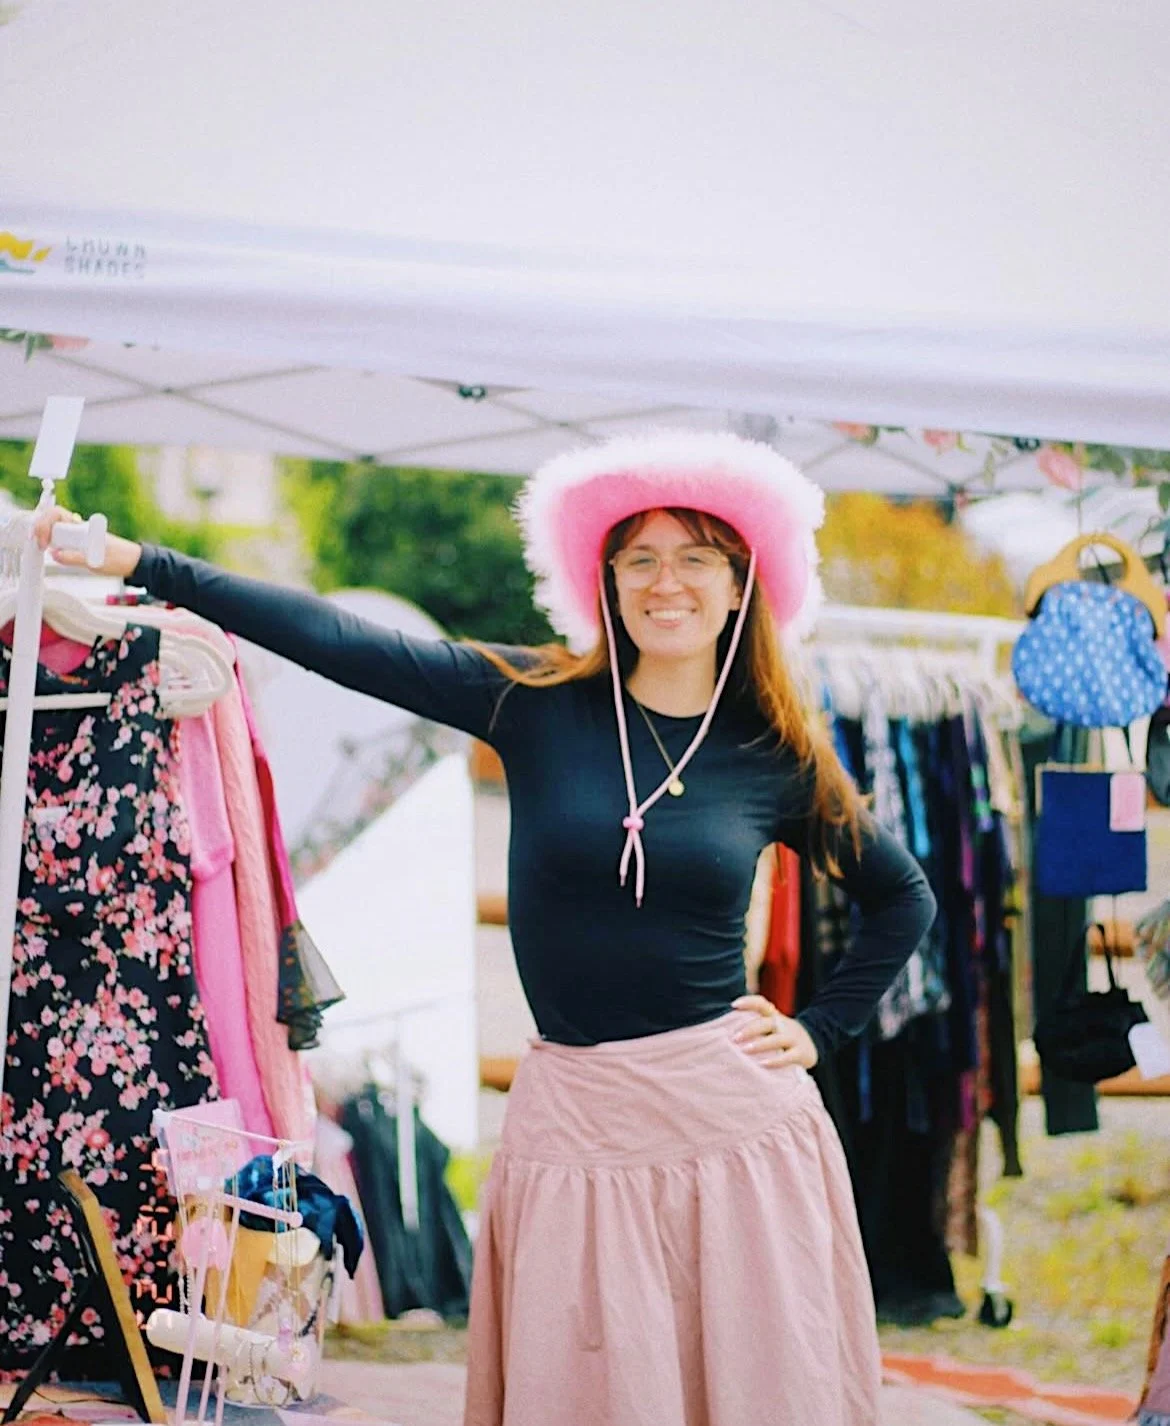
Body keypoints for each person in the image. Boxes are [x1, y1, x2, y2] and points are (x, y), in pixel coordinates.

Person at [38, 429, 936, 1426]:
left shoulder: (774, 754)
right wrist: (137, 563)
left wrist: (821, 1027)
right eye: (639, 556)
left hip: (728, 1124)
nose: (664, 581)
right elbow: (339, 640)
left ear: (740, 585)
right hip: (575, 1120)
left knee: (753, 1383)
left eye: (695, 558)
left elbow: (905, 896)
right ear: (603, 580)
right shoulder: (532, 699)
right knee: (590, 1384)